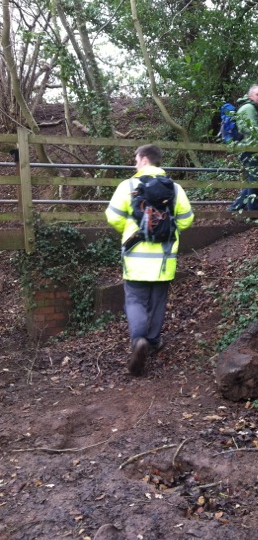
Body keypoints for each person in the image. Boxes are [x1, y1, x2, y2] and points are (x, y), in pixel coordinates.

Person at [106, 144, 194, 376]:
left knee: (134, 299)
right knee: (158, 300)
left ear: (144, 160)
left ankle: (138, 341)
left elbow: (112, 216)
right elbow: (186, 220)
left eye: (136, 160)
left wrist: (129, 227)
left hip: (135, 257)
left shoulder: (128, 186)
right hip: (164, 260)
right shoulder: (175, 189)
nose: (135, 164)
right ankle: (153, 341)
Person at [227, 84, 258, 212]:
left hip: (248, 147)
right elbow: (252, 129)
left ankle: (236, 207)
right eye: (257, 94)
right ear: (250, 96)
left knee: (252, 178)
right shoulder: (249, 108)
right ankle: (253, 210)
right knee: (254, 179)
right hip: (250, 148)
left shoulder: (249, 107)